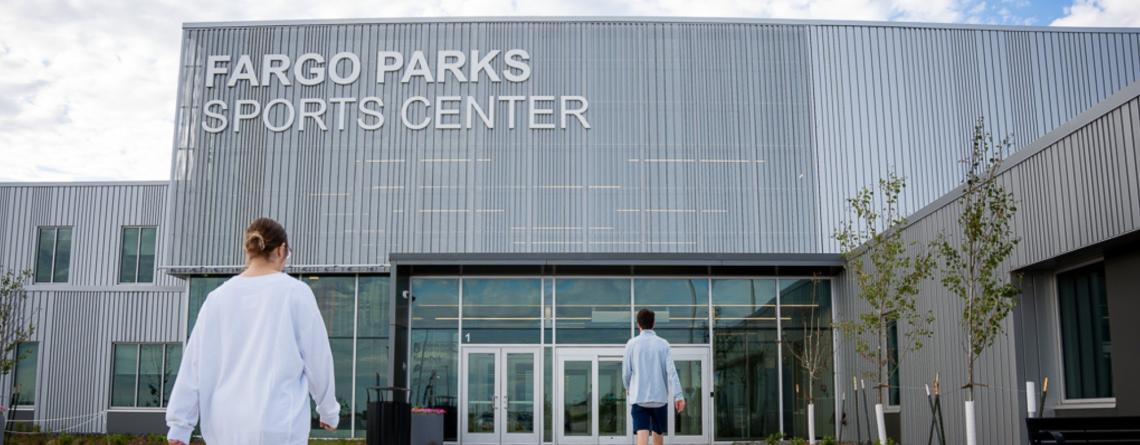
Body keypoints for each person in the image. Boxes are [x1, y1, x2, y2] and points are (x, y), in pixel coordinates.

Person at [166, 217, 340, 445]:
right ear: (282, 250)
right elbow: (317, 358)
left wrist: (180, 425)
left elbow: (194, 364)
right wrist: (328, 411)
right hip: (277, 425)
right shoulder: (295, 293)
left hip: (223, 427)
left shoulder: (217, 298)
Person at [623, 308, 685, 445]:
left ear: (638, 324)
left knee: (642, 436)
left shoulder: (631, 344)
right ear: (654, 323)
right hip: (659, 399)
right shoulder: (663, 344)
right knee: (658, 435)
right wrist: (678, 395)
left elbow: (626, 372)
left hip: (639, 398)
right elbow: (672, 372)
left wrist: (627, 387)